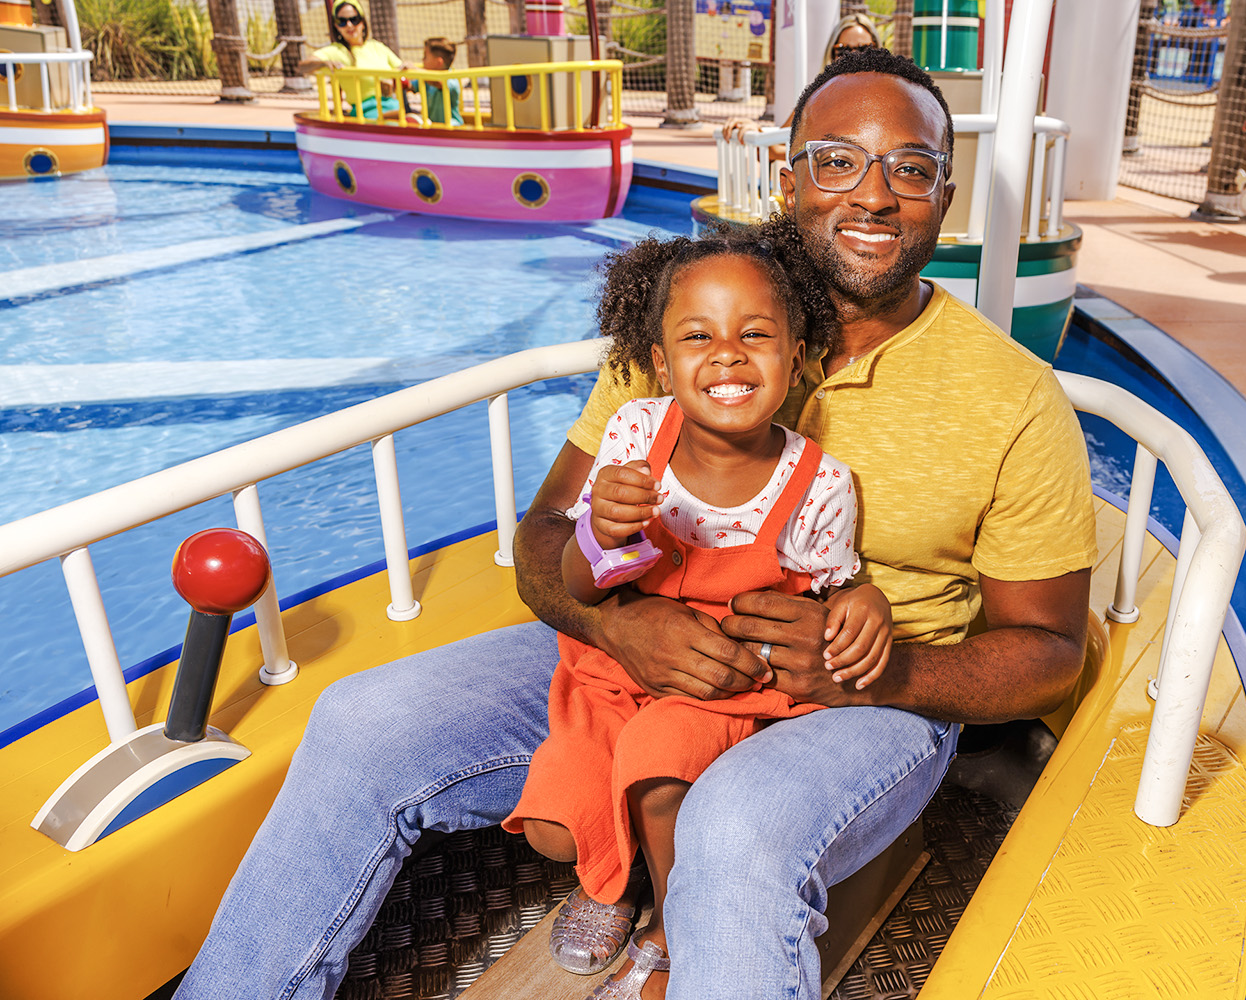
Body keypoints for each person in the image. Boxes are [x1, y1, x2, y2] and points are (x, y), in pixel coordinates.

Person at [175, 48, 1097, 1000]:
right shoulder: (691, 319)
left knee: (734, 823)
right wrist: (618, 625)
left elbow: (1050, 649)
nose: (873, 195)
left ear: (944, 196)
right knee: (364, 721)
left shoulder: (1013, 398)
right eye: (837, 160)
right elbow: (545, 538)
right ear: (788, 179)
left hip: (864, 700)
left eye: (910, 168)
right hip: (626, 653)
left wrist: (882, 670)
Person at [506, 222, 893, 997]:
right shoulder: (633, 434)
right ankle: (622, 877)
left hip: (729, 678)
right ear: (659, 363)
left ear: (796, 356)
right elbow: (582, 588)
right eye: (697, 336)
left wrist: (866, 601)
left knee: (658, 754)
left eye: (755, 334)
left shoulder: (821, 484)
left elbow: (827, 596)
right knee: (555, 824)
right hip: (615, 667)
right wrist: (599, 530)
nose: (726, 353)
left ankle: (668, 925)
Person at [720, 14, 884, 159]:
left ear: (878, 50)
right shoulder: (816, 99)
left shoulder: (893, 100)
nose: (854, 57)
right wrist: (755, 130)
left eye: (864, 49)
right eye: (843, 50)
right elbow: (780, 144)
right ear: (832, 55)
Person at [299, 0, 406, 121]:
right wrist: (323, 63)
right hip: (366, 112)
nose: (349, 25)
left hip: (393, 105)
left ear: (363, 22)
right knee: (402, 119)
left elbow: (406, 71)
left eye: (354, 19)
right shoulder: (336, 51)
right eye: (342, 22)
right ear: (336, 26)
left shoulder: (377, 47)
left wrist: (408, 67)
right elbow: (303, 67)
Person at [414, 37, 463, 126]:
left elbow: (438, 83)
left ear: (438, 62)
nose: (422, 60)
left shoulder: (451, 79)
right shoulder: (425, 78)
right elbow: (411, 86)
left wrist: (415, 70)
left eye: (425, 56)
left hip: (451, 125)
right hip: (431, 124)